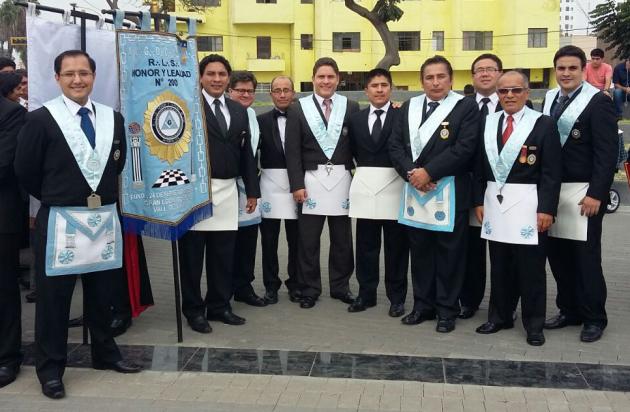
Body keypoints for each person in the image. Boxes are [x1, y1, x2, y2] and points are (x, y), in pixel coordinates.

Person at [14, 50, 141, 400]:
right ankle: (51, 370)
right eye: (69, 73)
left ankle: (105, 354)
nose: (77, 80)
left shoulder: (112, 119)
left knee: (103, 295)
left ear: (93, 77)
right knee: (54, 302)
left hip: (103, 218)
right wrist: (58, 195)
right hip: (61, 220)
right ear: (57, 78)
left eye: (83, 73)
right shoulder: (41, 120)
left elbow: (116, 164)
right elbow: (25, 170)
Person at [389, 55, 479, 333]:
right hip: (416, 191)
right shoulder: (409, 107)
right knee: (421, 254)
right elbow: (395, 146)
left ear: (451, 80)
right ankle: (422, 306)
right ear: (422, 81)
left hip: (449, 191)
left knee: (450, 256)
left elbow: (465, 148)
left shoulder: (465, 106)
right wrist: (412, 174)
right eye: (430, 77)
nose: (435, 82)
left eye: (441, 77)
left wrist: (429, 172)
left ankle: (447, 310)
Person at [473, 71, 561, 346]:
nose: (509, 96)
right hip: (495, 204)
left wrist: (547, 208)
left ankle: (534, 324)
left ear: (526, 92)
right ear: (497, 94)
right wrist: (478, 200)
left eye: (515, 90)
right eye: (503, 91)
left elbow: (551, 172)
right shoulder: (489, 122)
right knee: (500, 265)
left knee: (531, 269)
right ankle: (499, 316)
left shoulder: (543, 124)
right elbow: (478, 165)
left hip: (529, 206)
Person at [177, 55, 259, 333]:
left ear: (228, 78)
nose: (216, 79)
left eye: (222, 74)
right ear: (200, 77)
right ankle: (193, 310)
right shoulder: (186, 106)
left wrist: (252, 191)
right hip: (195, 191)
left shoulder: (238, 110)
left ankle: (219, 305)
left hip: (227, 190)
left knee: (223, 255)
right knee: (192, 257)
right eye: (210, 74)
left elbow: (246, 153)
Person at [543, 45, 618, 343]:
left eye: (572, 68)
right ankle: (569, 310)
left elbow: (607, 153)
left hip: (584, 193)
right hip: (552, 191)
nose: (566, 73)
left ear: (583, 70)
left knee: (585, 258)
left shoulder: (598, 101)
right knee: (558, 256)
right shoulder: (550, 98)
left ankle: (594, 317)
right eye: (561, 68)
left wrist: (597, 193)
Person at [285, 57, 360, 309]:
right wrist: (296, 184)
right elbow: (292, 152)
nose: (326, 81)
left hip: (341, 182)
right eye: (321, 77)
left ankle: (341, 287)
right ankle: (309, 289)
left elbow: (358, 145)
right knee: (308, 241)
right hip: (310, 183)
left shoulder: (351, 107)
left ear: (338, 79)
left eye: (330, 77)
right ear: (313, 79)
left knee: (342, 241)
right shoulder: (298, 108)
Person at [346, 68, 409, 317]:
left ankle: (397, 298)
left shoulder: (402, 116)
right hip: (366, 191)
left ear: (391, 88)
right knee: (366, 247)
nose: (379, 90)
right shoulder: (356, 120)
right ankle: (366, 294)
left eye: (384, 85)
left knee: (397, 249)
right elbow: (351, 151)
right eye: (374, 85)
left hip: (395, 188)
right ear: (366, 91)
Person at [458, 53, 503, 320]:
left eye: (490, 69)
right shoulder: (461, 106)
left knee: (502, 253)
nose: (485, 74)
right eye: (479, 70)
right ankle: (469, 301)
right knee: (471, 251)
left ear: (500, 73)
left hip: (503, 190)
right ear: (473, 76)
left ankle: (503, 306)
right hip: (468, 189)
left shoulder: (514, 102)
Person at [257, 76, 300, 304]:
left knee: (297, 241)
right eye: (277, 90)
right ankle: (271, 286)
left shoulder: (303, 118)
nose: (282, 94)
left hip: (297, 187)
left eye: (286, 90)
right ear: (271, 94)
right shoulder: (260, 120)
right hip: (269, 187)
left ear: (293, 93)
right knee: (269, 241)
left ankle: (296, 284)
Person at [227, 71, 266, 307]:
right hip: (226, 187)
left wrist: (252, 189)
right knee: (226, 242)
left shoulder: (252, 115)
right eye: (240, 90)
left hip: (249, 186)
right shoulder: (223, 113)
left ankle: (244, 286)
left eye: (250, 91)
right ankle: (225, 289)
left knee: (248, 241)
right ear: (230, 91)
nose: (245, 94)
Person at [0, 90, 26, 389]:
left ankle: (7, 357)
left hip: (2, 219)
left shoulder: (10, 112)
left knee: (4, 291)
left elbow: (4, 163)